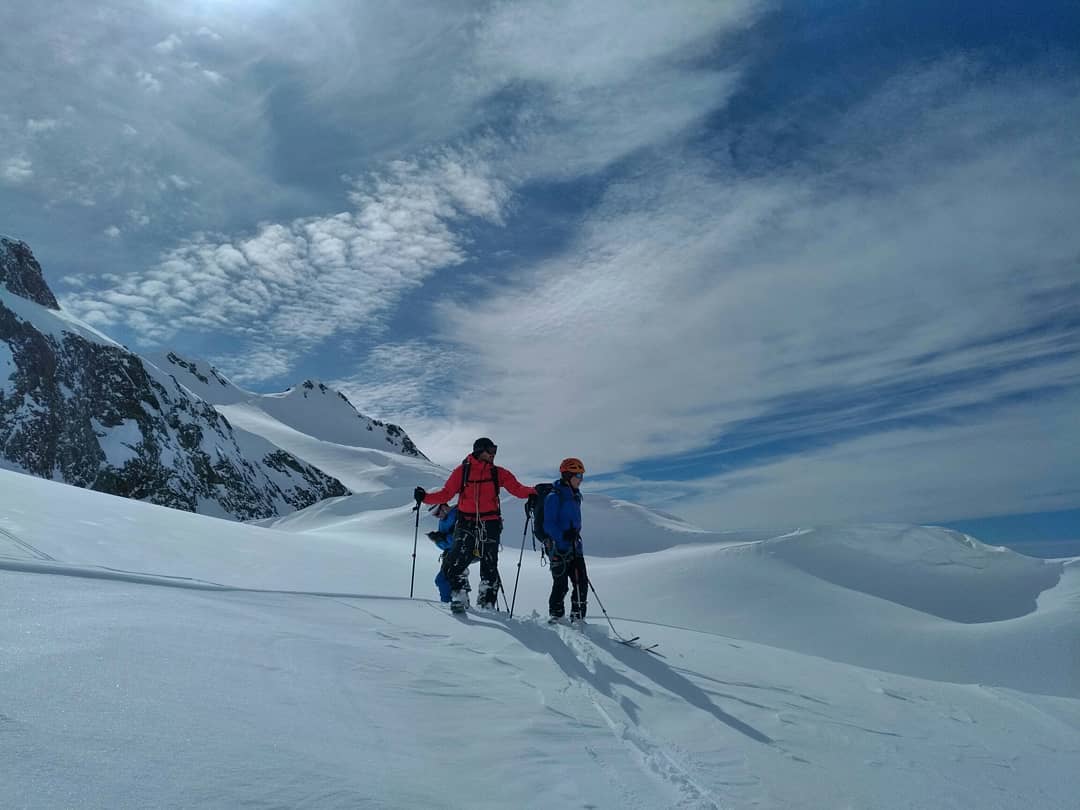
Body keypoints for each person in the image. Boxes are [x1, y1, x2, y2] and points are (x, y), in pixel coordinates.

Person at [414, 437, 537, 613]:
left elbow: (517, 489)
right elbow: (446, 493)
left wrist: (534, 491)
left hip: (490, 523)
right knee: (457, 560)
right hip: (466, 522)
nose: (494, 454)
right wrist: (425, 497)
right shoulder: (462, 472)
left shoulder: (498, 473)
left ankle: (487, 603)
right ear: (480, 451)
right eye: (491, 450)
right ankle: (460, 596)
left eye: (495, 450)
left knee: (490, 564)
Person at [543, 457, 588, 623]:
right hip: (559, 548)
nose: (581, 480)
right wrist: (562, 536)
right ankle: (556, 616)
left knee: (581, 583)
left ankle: (578, 617)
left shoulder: (575, 496)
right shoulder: (554, 497)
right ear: (568, 475)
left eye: (582, 476)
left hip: (576, 547)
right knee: (561, 585)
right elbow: (548, 524)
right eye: (578, 476)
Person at [426, 502, 460, 603]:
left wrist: (441, 538)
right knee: (442, 580)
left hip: (459, 553)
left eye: (436, 513)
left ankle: (448, 604)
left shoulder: (457, 515)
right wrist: (437, 539)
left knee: (441, 580)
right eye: (434, 515)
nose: (437, 517)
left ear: (443, 507)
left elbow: (458, 539)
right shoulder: (443, 520)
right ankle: (452, 603)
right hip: (450, 554)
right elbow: (444, 545)